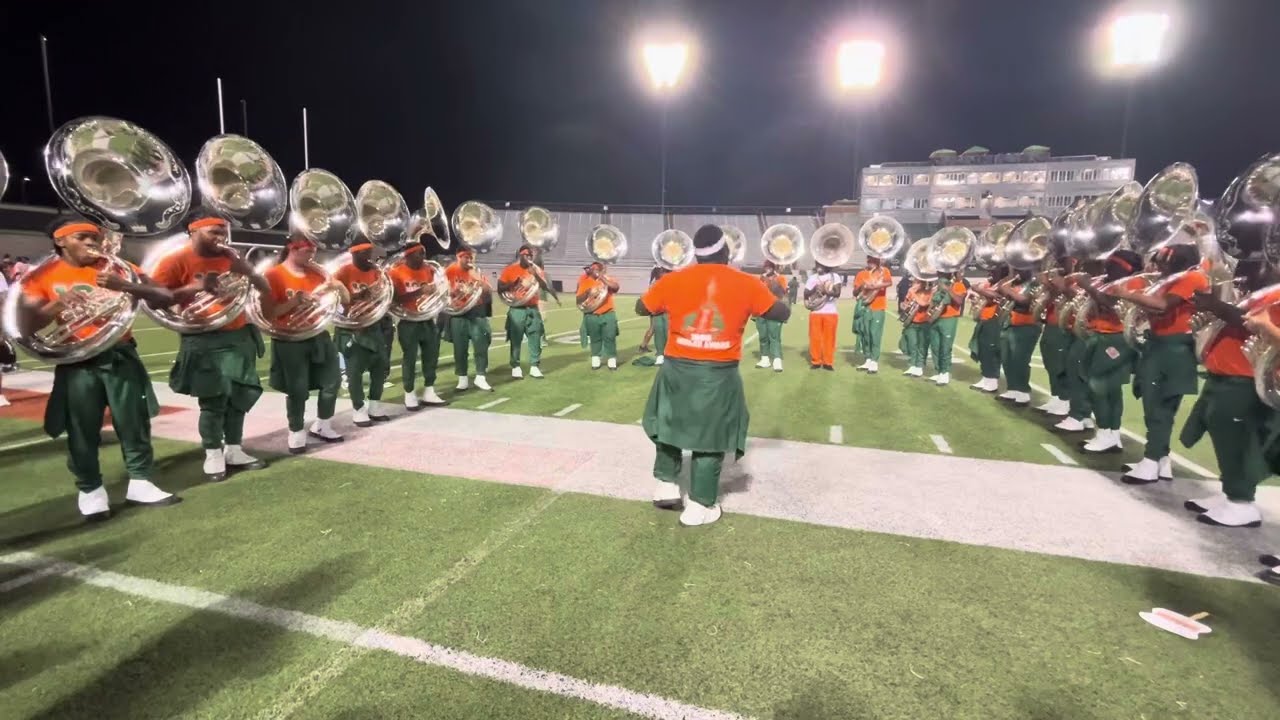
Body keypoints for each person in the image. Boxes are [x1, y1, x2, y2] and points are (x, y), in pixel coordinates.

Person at [13, 217, 180, 519]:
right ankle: (90, 490)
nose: (93, 242)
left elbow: (164, 297)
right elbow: (24, 327)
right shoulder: (41, 275)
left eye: (95, 237)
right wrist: (57, 306)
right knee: (81, 429)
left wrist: (125, 285)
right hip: (77, 361)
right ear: (60, 241)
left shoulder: (116, 267)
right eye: (82, 237)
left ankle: (141, 481)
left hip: (120, 355)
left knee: (134, 423)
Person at [636, 224, 792, 526]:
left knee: (669, 425)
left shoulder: (673, 279)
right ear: (726, 251)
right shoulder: (746, 283)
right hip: (716, 373)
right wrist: (771, 287)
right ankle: (700, 504)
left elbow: (642, 307)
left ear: (696, 254)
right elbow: (781, 313)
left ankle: (666, 486)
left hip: (676, 369)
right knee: (710, 436)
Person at [149, 210, 272, 481]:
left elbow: (264, 289)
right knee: (213, 400)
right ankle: (213, 452)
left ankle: (234, 448)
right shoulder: (175, 260)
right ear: (193, 231)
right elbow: (155, 299)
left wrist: (249, 271)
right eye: (213, 231)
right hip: (203, 338)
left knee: (239, 397)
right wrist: (193, 288)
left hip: (238, 335)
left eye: (223, 231)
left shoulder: (230, 258)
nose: (221, 237)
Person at [1179, 263, 1279, 527]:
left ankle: (1241, 501)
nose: (1270, 264)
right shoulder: (1266, 291)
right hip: (1227, 375)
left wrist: (1217, 306)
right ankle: (1231, 494)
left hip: (1244, 378)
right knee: (1224, 437)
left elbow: (1249, 323)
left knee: (1238, 442)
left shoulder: (1274, 294)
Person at [1112, 245, 1209, 484]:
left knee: (1159, 408)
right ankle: (1161, 460)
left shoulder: (1192, 277)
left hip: (1173, 347)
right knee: (1154, 405)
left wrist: (1125, 293)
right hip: (1160, 344)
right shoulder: (1173, 279)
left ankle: (1152, 460)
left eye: (1163, 261)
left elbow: (1164, 305)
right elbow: (1156, 308)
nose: (1158, 266)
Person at [263, 233, 348, 453]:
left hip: (319, 334)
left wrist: (338, 287)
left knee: (332, 382)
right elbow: (268, 313)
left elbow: (345, 303)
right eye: (308, 251)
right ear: (293, 249)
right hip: (290, 338)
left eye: (314, 251)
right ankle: (296, 430)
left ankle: (323, 424)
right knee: (297, 389)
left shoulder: (318, 273)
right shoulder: (273, 275)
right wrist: (294, 301)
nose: (313, 255)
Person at [1068, 250, 1145, 453]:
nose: (1106, 268)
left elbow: (1110, 304)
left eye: (1112, 266)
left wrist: (1088, 286)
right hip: (1102, 336)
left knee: (1098, 387)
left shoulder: (1133, 282)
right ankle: (1111, 434)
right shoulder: (1109, 281)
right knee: (1111, 390)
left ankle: (1105, 432)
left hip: (1115, 338)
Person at [332, 237, 395, 424]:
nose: (369, 256)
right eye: (364, 253)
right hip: (352, 328)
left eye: (370, 252)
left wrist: (380, 296)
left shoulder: (377, 272)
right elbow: (333, 300)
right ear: (353, 253)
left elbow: (386, 297)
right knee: (355, 371)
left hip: (374, 326)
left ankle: (375, 406)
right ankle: (358, 409)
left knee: (380, 367)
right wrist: (359, 295)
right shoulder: (342, 273)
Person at [388, 243, 449, 408]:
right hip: (408, 322)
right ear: (408, 255)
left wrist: (437, 289)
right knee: (410, 358)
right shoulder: (395, 272)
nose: (423, 257)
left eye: (424, 253)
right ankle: (409, 393)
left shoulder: (428, 269)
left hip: (427, 320)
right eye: (420, 254)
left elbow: (438, 290)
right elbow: (394, 300)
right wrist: (419, 292)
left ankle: (429, 390)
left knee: (431, 356)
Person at [498, 245, 551, 379]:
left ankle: (534, 366)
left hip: (532, 308)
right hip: (517, 308)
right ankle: (515, 366)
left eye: (530, 256)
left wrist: (536, 276)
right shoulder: (510, 270)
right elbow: (500, 288)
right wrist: (513, 283)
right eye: (525, 255)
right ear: (520, 256)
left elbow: (545, 286)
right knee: (515, 339)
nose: (528, 258)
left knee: (535, 337)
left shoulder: (536, 269)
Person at [445, 248, 493, 391]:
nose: (469, 260)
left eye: (471, 257)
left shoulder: (475, 271)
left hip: (476, 312)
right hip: (458, 313)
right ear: (458, 257)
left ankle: (480, 376)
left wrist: (476, 278)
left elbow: (488, 291)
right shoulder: (450, 270)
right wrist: (453, 292)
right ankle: (462, 378)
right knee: (460, 348)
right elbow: (440, 289)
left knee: (481, 345)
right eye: (466, 257)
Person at [1035, 259, 1076, 416]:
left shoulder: (1074, 279)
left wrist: (1054, 282)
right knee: (1051, 363)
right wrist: (1048, 284)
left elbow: (1071, 293)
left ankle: (1065, 399)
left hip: (1065, 326)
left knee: (1061, 365)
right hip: (1051, 323)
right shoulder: (1058, 275)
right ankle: (1057, 396)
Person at [995, 267, 1042, 405]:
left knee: (1020, 360)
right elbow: (1000, 288)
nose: (1016, 271)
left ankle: (1023, 391)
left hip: (1026, 326)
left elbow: (1025, 301)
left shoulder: (1034, 283)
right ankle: (1013, 388)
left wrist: (1007, 289)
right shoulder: (1014, 282)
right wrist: (1009, 276)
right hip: (1009, 324)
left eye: (1019, 268)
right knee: (1007, 358)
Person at [968, 265, 1009, 392]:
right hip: (985, 320)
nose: (990, 273)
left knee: (991, 350)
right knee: (984, 350)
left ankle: (992, 381)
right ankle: (986, 377)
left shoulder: (1005, 284)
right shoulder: (992, 284)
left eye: (993, 270)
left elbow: (995, 296)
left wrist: (978, 289)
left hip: (995, 320)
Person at [851, 256, 892, 373]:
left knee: (875, 333)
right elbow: (854, 292)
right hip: (864, 306)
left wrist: (873, 286)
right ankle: (868, 358)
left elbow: (889, 282)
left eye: (875, 260)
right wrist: (862, 286)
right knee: (865, 333)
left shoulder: (884, 271)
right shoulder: (861, 274)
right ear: (867, 260)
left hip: (878, 307)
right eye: (870, 260)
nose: (873, 262)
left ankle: (874, 360)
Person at [576, 261, 621, 370]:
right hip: (592, 314)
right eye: (593, 269)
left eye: (597, 269)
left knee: (610, 337)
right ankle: (595, 359)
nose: (595, 270)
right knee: (595, 338)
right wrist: (588, 293)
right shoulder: (585, 281)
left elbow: (616, 287)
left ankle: (611, 359)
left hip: (608, 313)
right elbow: (579, 299)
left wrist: (602, 278)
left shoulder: (607, 279)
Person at [928, 270, 968, 386]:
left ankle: (945, 372)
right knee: (935, 346)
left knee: (945, 347)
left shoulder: (958, 285)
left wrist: (947, 289)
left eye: (942, 274)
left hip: (949, 319)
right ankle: (938, 370)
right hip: (935, 318)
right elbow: (932, 303)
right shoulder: (936, 286)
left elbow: (959, 301)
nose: (940, 276)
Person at [805, 264, 841, 370]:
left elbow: (837, 293)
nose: (818, 266)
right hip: (816, 312)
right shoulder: (812, 277)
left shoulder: (835, 276)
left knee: (829, 338)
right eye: (816, 264)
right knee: (815, 337)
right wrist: (815, 290)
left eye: (820, 264)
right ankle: (816, 361)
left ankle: (828, 362)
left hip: (831, 312)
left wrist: (825, 291)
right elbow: (806, 293)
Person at [754, 261, 787, 371]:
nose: (767, 269)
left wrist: (774, 280)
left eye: (769, 267)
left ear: (774, 268)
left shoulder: (780, 278)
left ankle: (777, 360)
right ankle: (765, 359)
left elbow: (782, 293)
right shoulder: (761, 278)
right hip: (761, 310)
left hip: (775, 310)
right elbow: (758, 293)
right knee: (763, 336)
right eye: (765, 267)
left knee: (774, 336)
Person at [901, 279, 935, 377]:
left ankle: (919, 366)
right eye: (917, 282)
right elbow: (905, 304)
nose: (917, 284)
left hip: (924, 322)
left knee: (922, 345)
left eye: (920, 282)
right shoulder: (913, 291)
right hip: (912, 321)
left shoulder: (931, 292)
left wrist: (913, 293)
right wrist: (905, 305)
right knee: (912, 344)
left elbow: (924, 303)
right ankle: (912, 365)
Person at [639, 265, 665, 353]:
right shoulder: (657, 283)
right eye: (662, 271)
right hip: (656, 309)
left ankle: (643, 346)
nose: (664, 273)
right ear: (659, 273)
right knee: (654, 328)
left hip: (654, 308)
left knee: (653, 328)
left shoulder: (654, 282)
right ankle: (644, 346)